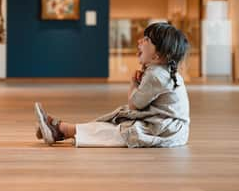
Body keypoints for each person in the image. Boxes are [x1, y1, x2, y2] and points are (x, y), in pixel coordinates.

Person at [34, 22, 190, 148]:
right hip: (168, 127)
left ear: (157, 55)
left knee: (120, 131)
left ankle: (60, 129)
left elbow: (134, 105)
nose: (139, 42)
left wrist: (133, 83)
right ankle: (59, 130)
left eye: (146, 40)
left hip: (164, 130)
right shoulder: (162, 71)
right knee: (117, 124)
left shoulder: (155, 75)